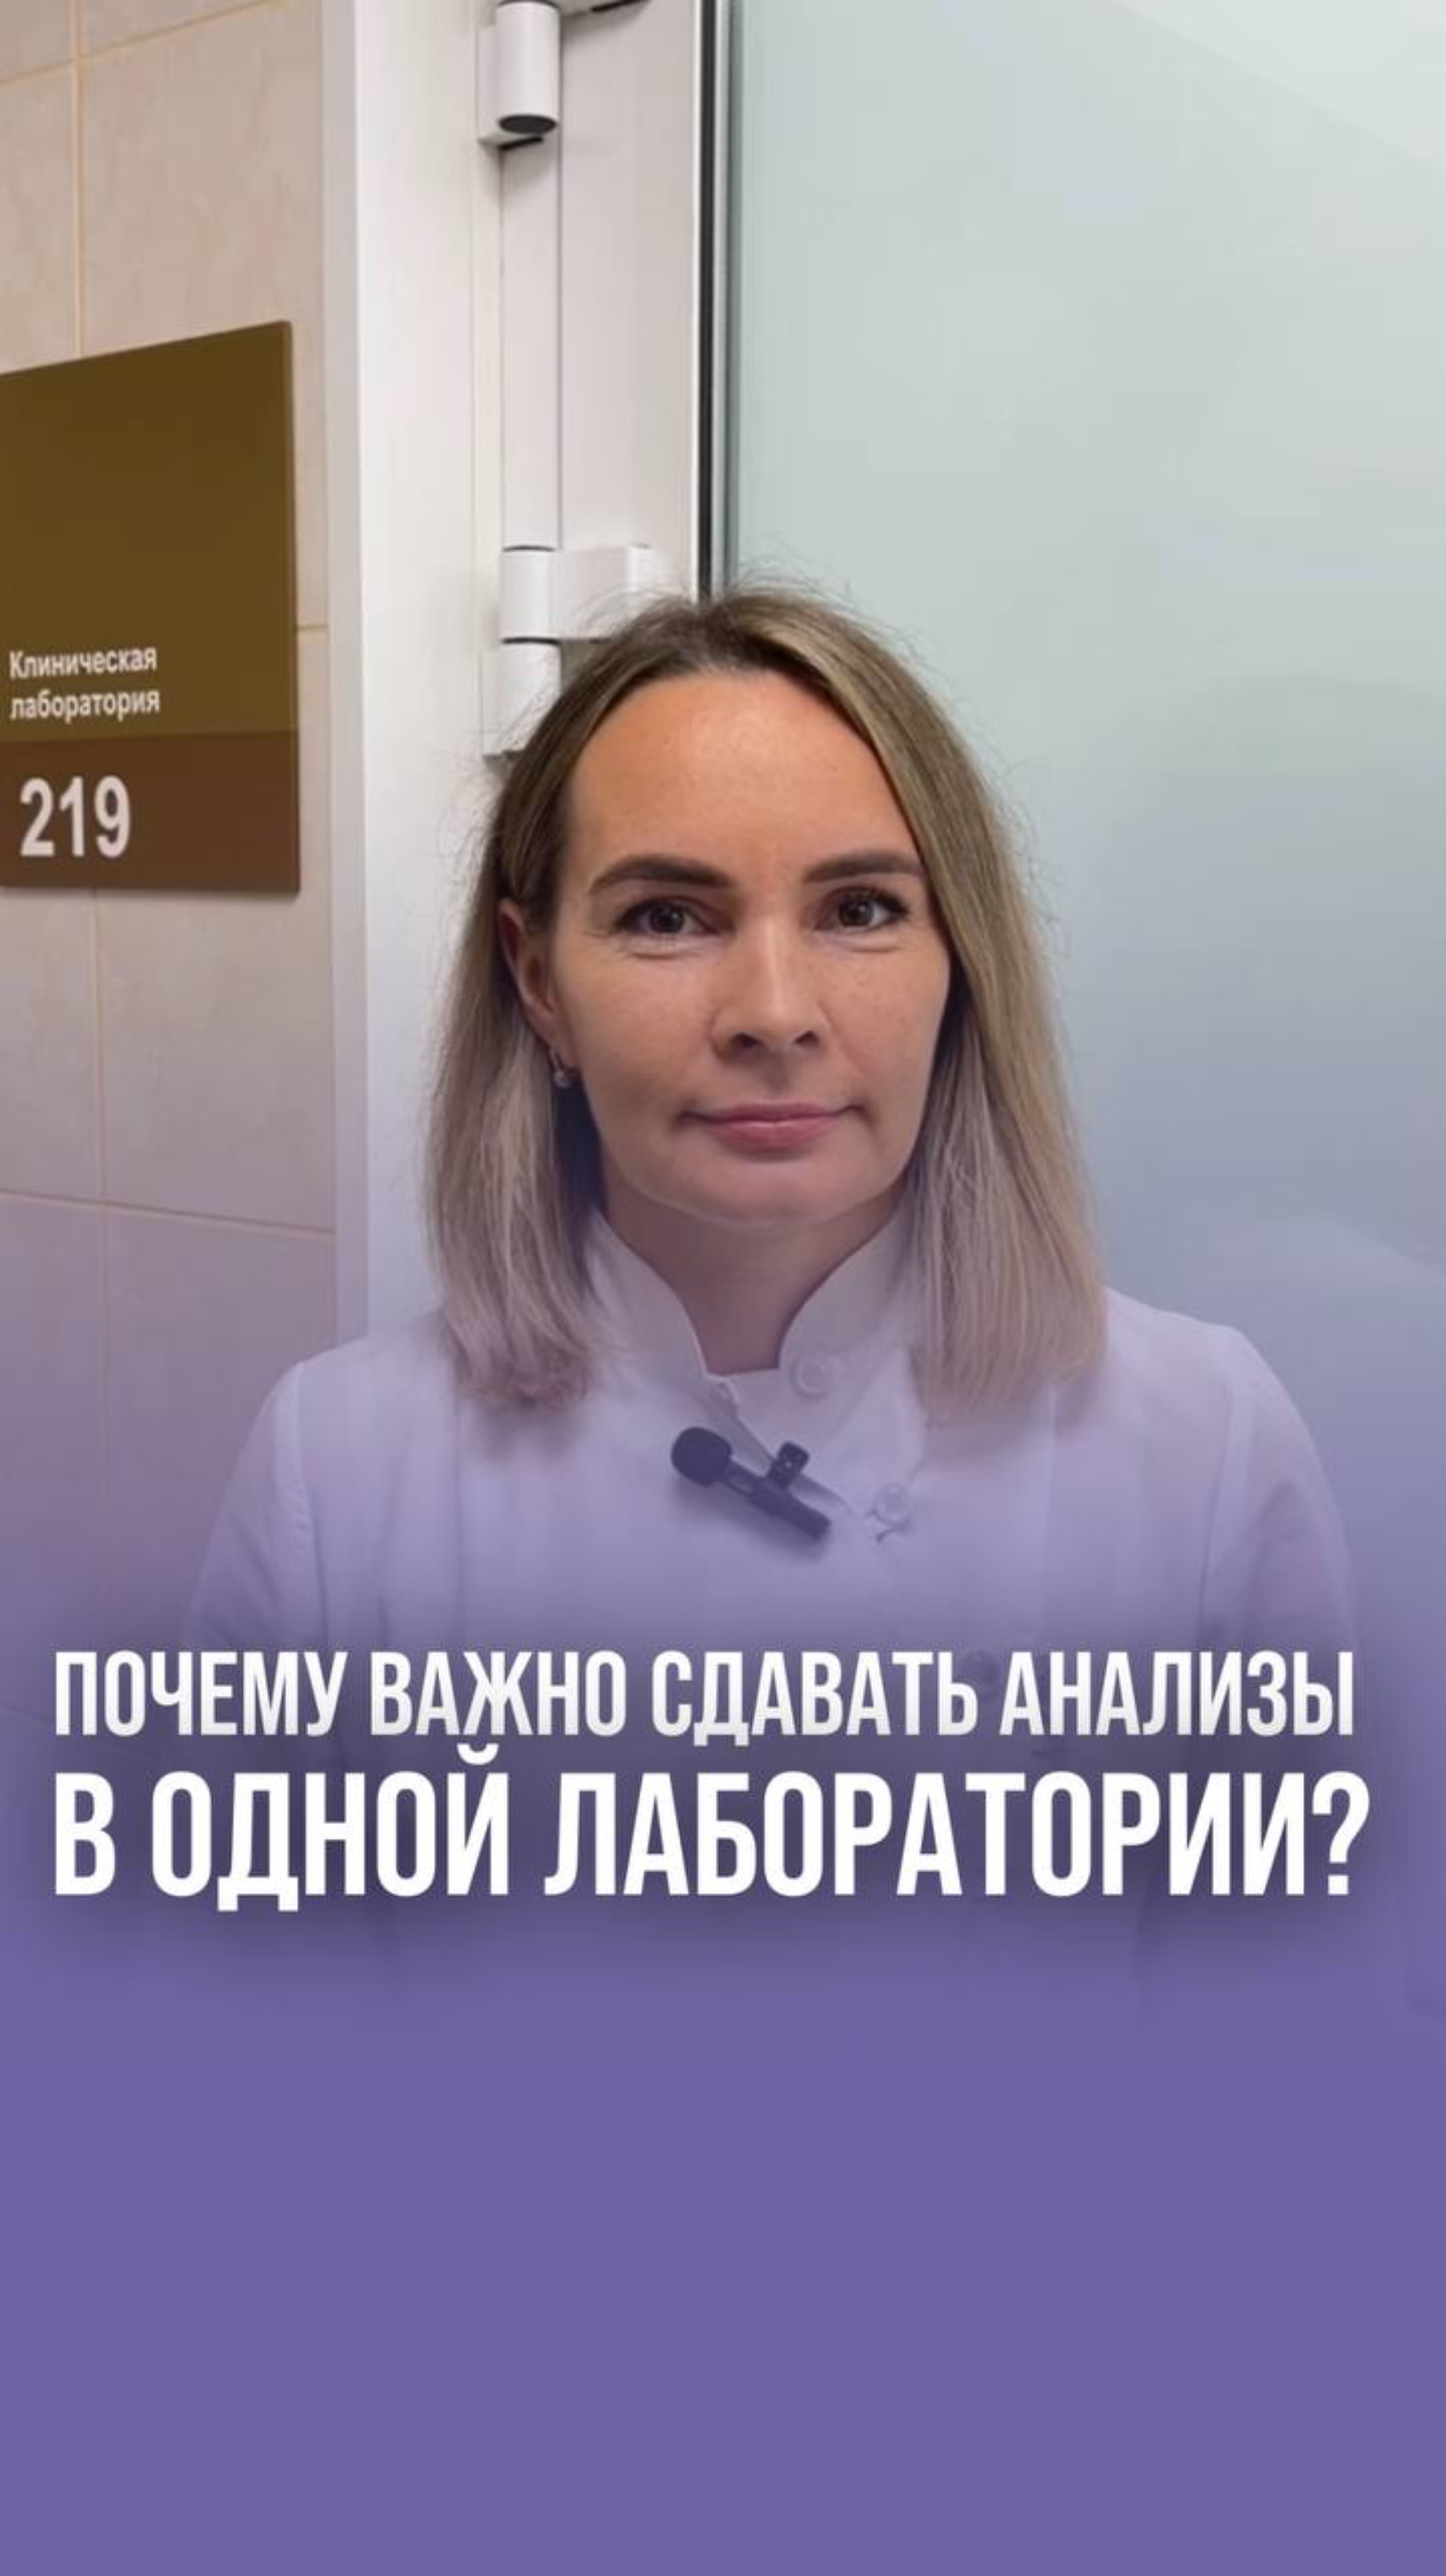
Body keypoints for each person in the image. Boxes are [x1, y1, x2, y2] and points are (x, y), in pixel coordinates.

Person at [185, 582, 1353, 1788]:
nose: (775, 1013)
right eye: (667, 918)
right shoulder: (341, 1466)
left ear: (962, 963)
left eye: (860, 910)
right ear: (538, 982)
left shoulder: (1201, 1443)